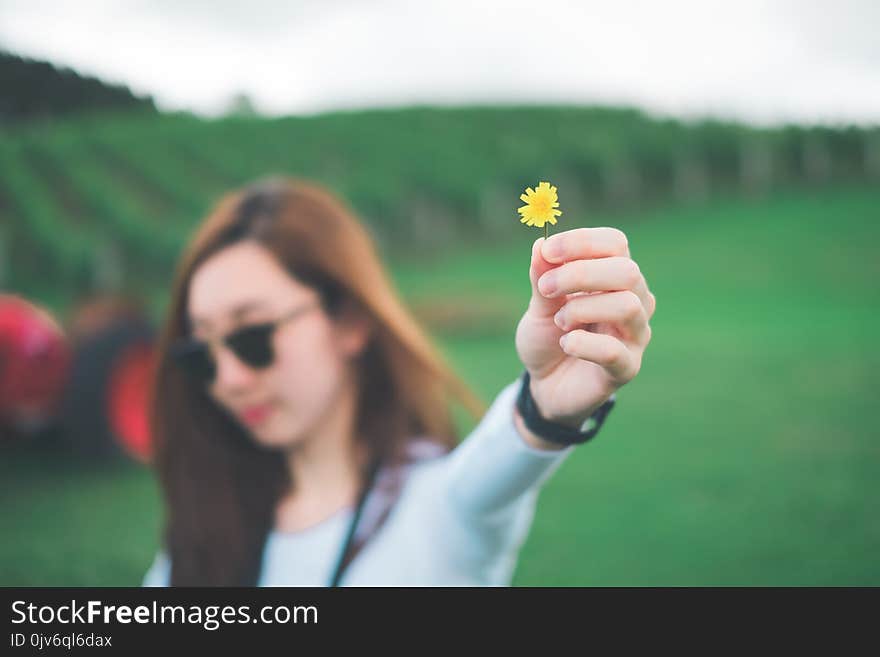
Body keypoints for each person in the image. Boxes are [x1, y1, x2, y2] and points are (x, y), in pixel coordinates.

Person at [142, 176, 655, 586]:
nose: (227, 380)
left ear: (350, 322)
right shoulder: (201, 532)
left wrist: (545, 405)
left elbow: (502, 464)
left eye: (253, 338)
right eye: (200, 354)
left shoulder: (442, 512)